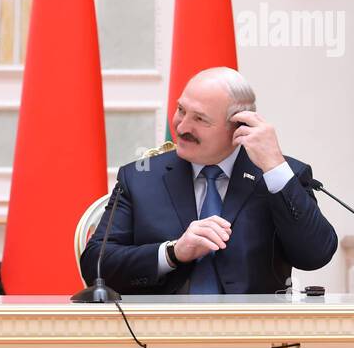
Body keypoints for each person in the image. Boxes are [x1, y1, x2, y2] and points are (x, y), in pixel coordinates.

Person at [79, 67, 337, 295]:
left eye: (200, 119)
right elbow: (96, 265)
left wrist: (275, 167)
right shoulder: (140, 177)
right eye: (181, 110)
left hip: (256, 337)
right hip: (158, 338)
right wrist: (172, 252)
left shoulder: (276, 175)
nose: (181, 127)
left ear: (238, 126)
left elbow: (316, 255)